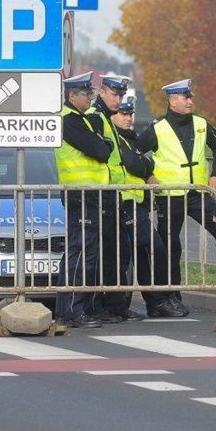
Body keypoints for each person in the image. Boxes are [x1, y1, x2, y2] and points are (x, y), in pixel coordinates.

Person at [133, 78, 216, 318]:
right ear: (173, 101)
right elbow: (134, 153)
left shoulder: (202, 124)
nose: (190, 101)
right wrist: (148, 174)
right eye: (186, 97)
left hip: (199, 193)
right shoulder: (157, 127)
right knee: (170, 248)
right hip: (169, 197)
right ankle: (171, 297)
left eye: (190, 97)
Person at [53, 72, 113, 328]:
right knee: (81, 253)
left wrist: (103, 143)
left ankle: (75, 308)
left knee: (86, 252)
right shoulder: (69, 121)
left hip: (90, 194)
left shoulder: (83, 119)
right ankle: (73, 310)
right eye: (86, 94)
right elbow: (101, 150)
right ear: (71, 95)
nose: (90, 98)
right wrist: (103, 144)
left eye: (90, 93)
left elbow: (104, 146)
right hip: (80, 194)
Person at [88, 74, 148, 323]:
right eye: (115, 94)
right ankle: (104, 305)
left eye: (121, 95)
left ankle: (117, 305)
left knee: (118, 256)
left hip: (115, 198)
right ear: (102, 92)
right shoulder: (95, 117)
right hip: (100, 196)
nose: (118, 99)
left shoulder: (106, 118)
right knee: (104, 257)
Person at [103, 94, 169, 319]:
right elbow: (133, 162)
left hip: (135, 204)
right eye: (122, 113)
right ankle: (127, 305)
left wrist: (146, 167)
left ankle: (152, 302)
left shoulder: (131, 138)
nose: (128, 118)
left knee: (141, 254)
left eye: (130, 113)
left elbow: (143, 161)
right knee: (144, 251)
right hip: (124, 204)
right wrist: (147, 170)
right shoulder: (115, 138)